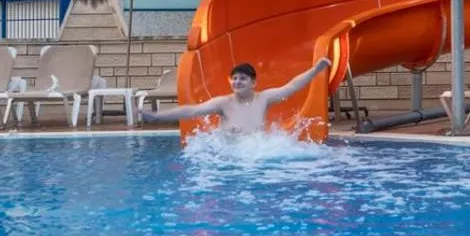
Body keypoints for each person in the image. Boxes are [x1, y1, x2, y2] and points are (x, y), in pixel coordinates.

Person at [140, 58, 332, 134]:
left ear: (254, 83)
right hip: (230, 155)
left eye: (243, 79)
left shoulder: (264, 98)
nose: (237, 82)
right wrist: (158, 116)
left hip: (255, 153)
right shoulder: (223, 103)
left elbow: (292, 86)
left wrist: (316, 70)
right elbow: (192, 110)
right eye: (234, 79)